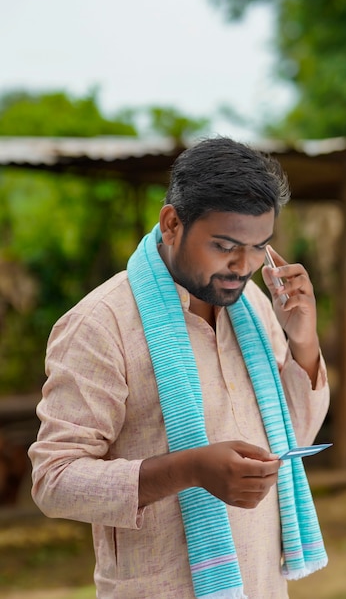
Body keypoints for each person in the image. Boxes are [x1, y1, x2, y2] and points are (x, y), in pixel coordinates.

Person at [29, 137, 330, 599]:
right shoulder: (101, 324)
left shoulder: (253, 304)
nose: (243, 266)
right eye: (225, 245)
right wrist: (189, 469)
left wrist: (303, 340)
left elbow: (292, 440)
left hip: (265, 586)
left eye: (258, 248)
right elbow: (55, 481)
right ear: (172, 223)